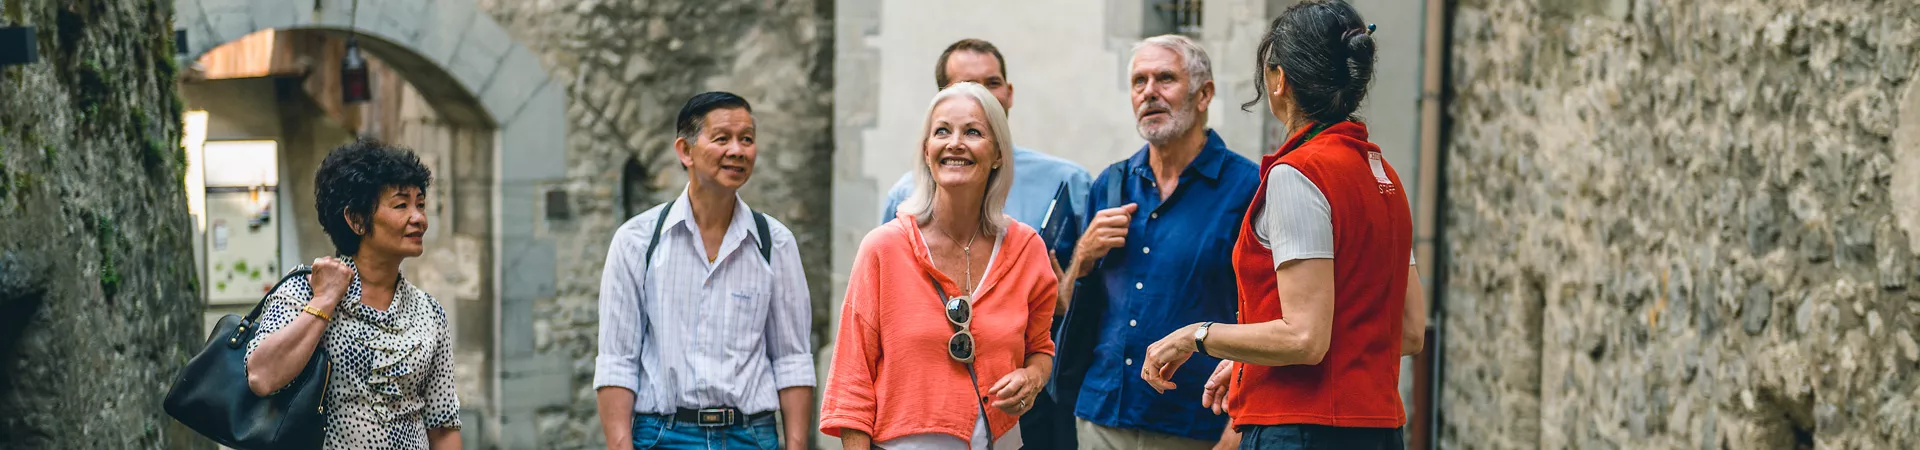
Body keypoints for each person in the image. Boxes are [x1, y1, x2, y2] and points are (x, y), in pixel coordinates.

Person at [1138, 2, 1425, 449]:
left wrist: (1194, 337)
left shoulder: (1300, 173)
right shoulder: (1383, 174)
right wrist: (1243, 360)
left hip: (1301, 431)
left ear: (1279, 80)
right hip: (1379, 431)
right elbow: (1407, 330)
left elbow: (1306, 337)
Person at [875, 37, 1092, 449]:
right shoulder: (900, 206)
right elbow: (877, 329)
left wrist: (1066, 286)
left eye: (991, 83)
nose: (980, 95)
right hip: (920, 411)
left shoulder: (1069, 181)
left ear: (1008, 92)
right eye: (966, 84)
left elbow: (1081, 305)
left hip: (1029, 398)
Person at [821, 82, 1058, 450]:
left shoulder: (1027, 248)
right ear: (927, 151)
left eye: (973, 132)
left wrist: (1032, 377)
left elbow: (1040, 347)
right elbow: (852, 379)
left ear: (997, 154)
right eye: (942, 131)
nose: (955, 143)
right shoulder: (883, 247)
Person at [1053, 34, 1259, 449]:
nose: (1149, 92)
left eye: (1165, 78)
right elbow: (1063, 305)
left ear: (1204, 94)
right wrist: (1084, 256)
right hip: (1102, 418)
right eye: (1138, 81)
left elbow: (1266, 316)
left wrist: (1234, 431)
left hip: (1198, 422)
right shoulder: (1110, 184)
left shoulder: (1248, 188)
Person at [593, 92, 816, 450]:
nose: (738, 150)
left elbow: (792, 359)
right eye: (722, 138)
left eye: (747, 139)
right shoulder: (637, 241)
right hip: (663, 435)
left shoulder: (775, 243)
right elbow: (617, 360)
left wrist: (795, 445)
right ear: (685, 151)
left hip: (751, 436)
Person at [243, 139, 463, 449]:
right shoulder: (303, 290)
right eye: (401, 205)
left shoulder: (429, 313)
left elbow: (442, 426)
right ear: (356, 220)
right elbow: (261, 377)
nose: (419, 218)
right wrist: (324, 301)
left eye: (421, 203)